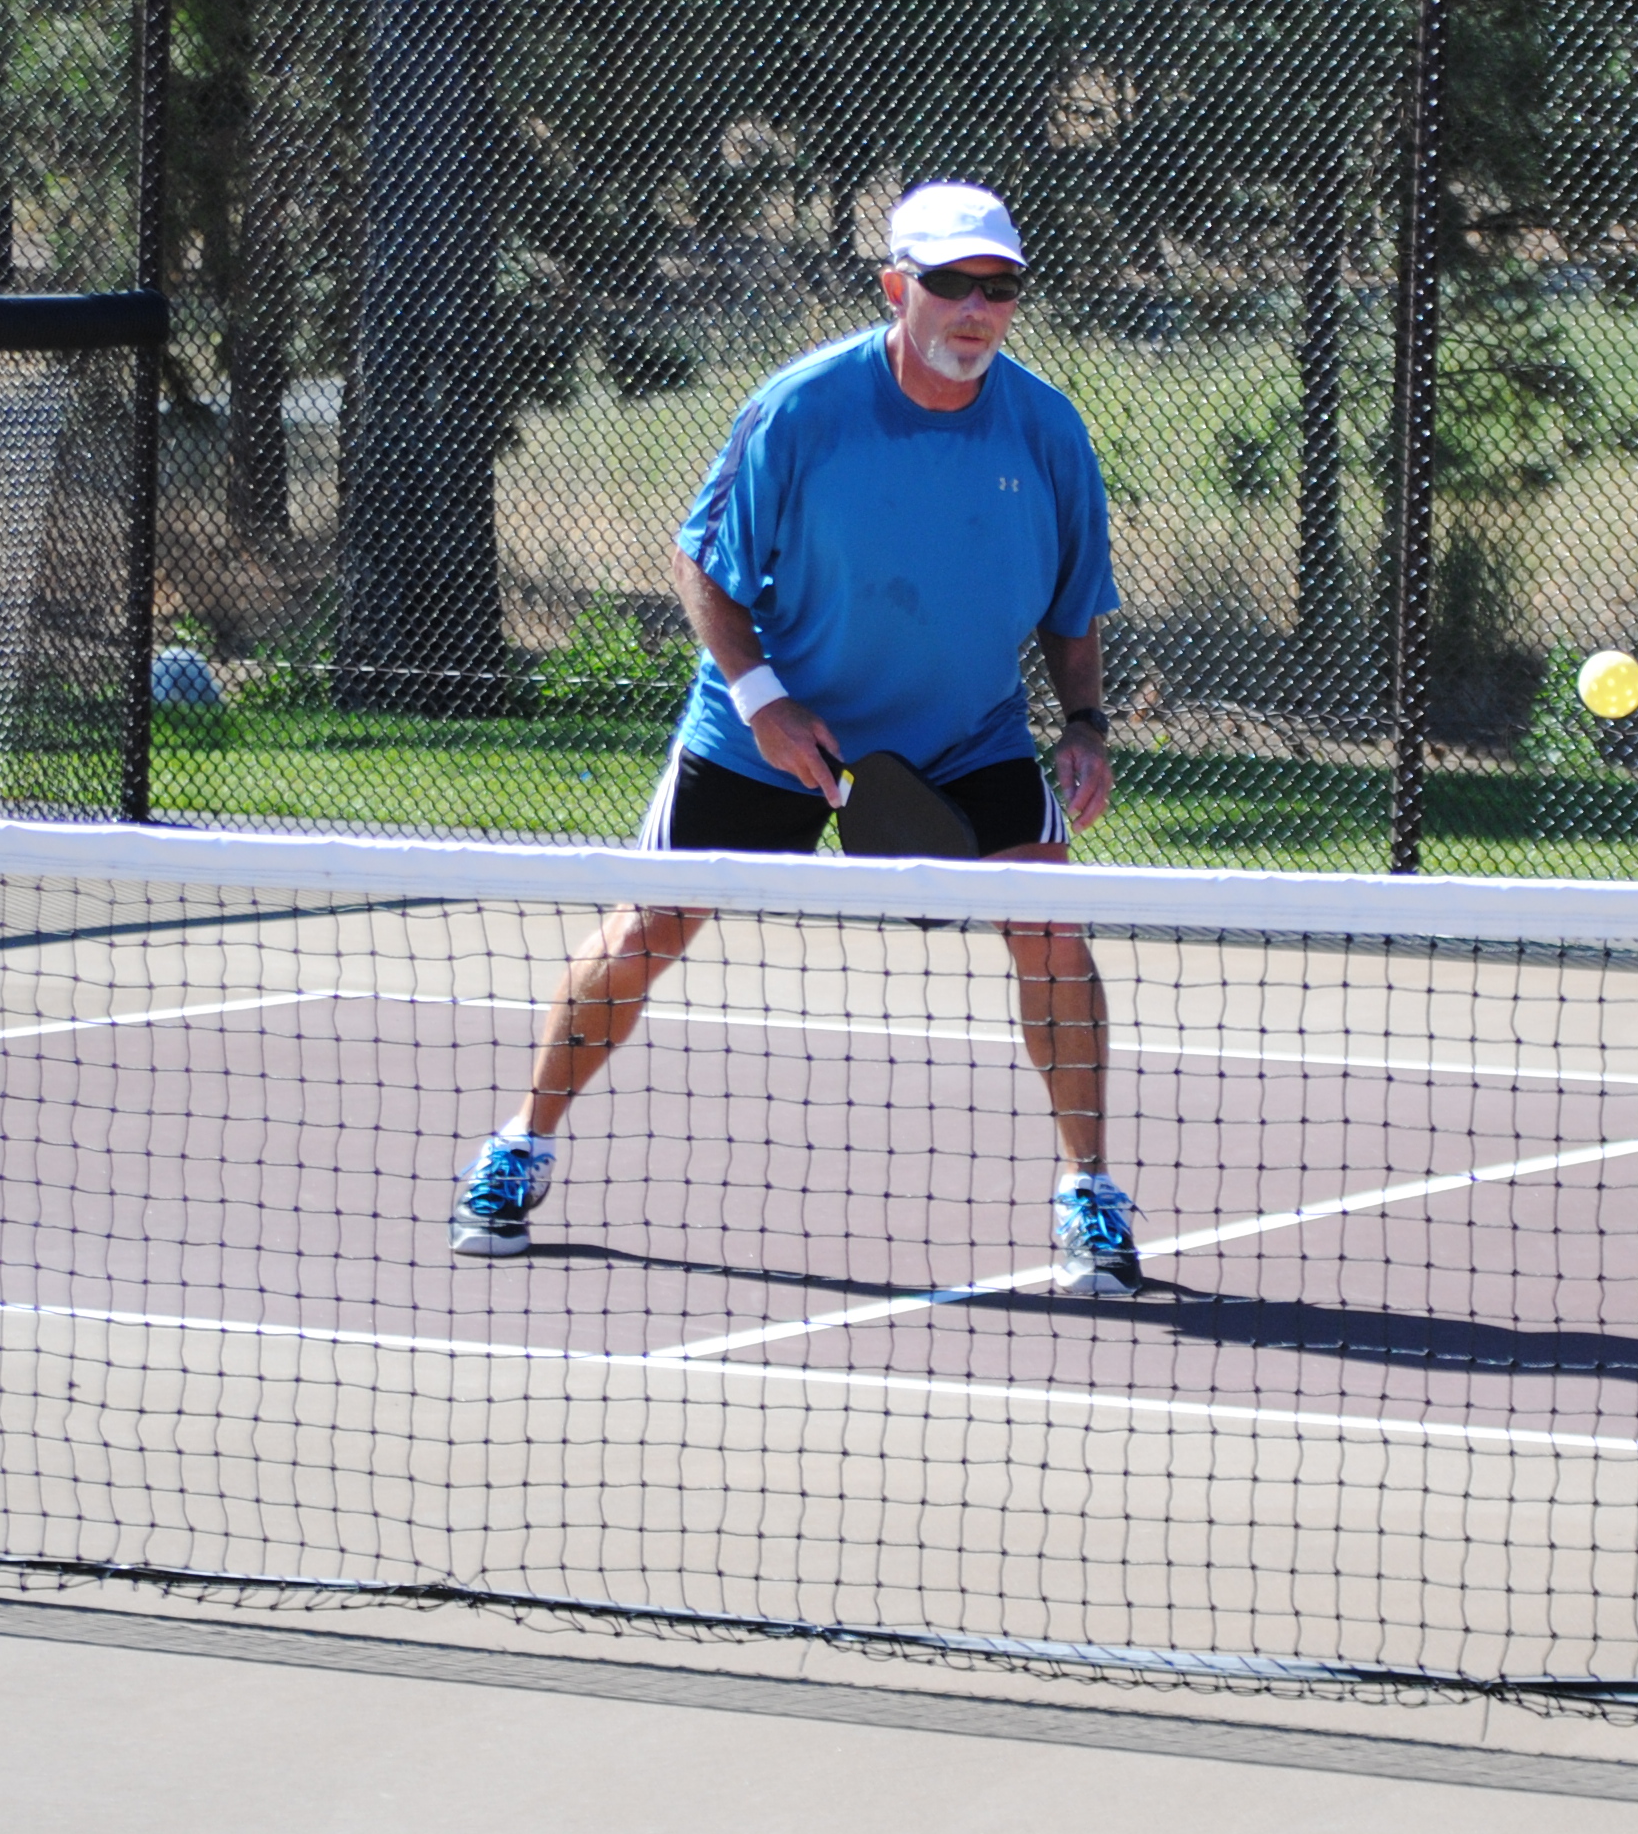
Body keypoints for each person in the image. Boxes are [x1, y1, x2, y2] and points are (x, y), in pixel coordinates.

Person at [448, 181, 1138, 1294]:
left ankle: (1089, 1192)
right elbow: (704, 565)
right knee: (647, 930)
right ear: (894, 289)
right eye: (949, 283)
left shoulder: (1046, 428)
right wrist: (766, 702)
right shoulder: (801, 407)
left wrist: (1086, 724)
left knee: (1050, 927)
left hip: (964, 734)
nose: (974, 308)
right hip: (766, 724)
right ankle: (518, 1146)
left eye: (997, 286)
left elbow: (1073, 603)